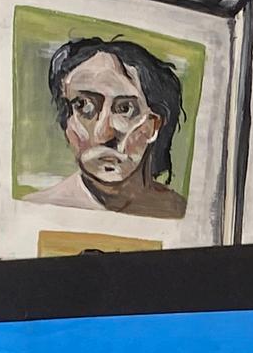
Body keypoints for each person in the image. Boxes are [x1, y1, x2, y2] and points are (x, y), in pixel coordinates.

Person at [28, 36, 189, 218]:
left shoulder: (182, 214)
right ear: (67, 123)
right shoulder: (36, 211)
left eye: (125, 109)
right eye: (83, 105)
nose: (104, 134)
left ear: (153, 126)